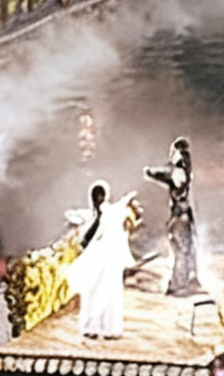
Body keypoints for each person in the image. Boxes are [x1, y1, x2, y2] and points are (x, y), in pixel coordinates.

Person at [65, 180, 131, 340]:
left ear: (104, 197)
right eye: (95, 197)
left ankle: (109, 329)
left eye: (99, 197)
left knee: (107, 294)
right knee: (91, 293)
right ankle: (93, 328)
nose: (97, 200)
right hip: (97, 261)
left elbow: (91, 237)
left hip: (108, 261)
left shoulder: (108, 214)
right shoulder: (96, 214)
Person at [146, 137, 201, 297]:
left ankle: (179, 284)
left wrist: (150, 172)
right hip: (183, 216)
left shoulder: (179, 172)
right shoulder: (184, 171)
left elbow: (164, 175)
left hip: (180, 217)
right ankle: (184, 281)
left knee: (181, 251)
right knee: (185, 250)